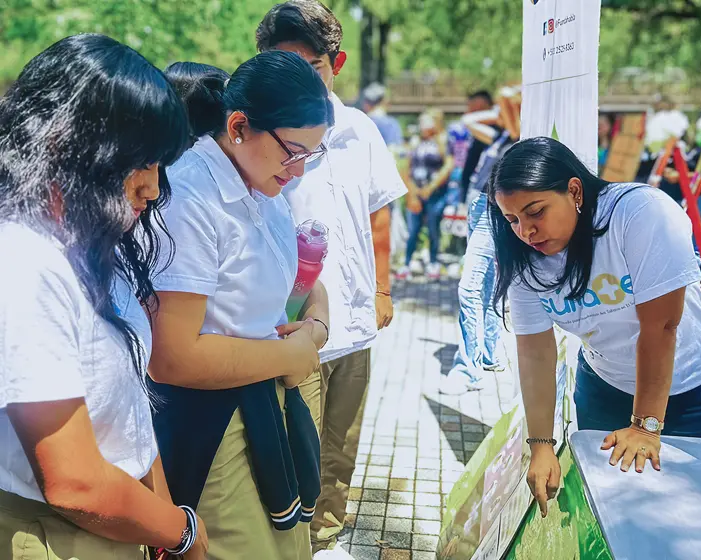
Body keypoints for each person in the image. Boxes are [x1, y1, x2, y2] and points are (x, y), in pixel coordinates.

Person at [0, 34, 208, 559]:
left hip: (122, 516)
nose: (153, 187)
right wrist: (183, 533)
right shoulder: (25, 260)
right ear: (64, 145)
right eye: (138, 162)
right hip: (56, 532)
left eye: (160, 163)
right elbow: (74, 482)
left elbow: (128, 404)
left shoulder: (92, 237)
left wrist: (162, 511)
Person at [149, 52, 333, 560]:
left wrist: (315, 323)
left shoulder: (265, 187)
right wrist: (294, 356)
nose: (296, 172)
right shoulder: (189, 197)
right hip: (214, 419)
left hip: (267, 398)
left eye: (309, 157)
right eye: (292, 152)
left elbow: (296, 277)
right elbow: (172, 356)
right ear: (237, 127)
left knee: (289, 545)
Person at [488, 137, 701, 519]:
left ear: (574, 190)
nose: (526, 232)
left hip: (697, 391)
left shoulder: (639, 213)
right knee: (624, 515)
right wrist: (542, 445)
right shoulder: (523, 259)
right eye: (512, 219)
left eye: (536, 212)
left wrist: (646, 428)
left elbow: (661, 327)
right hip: (605, 391)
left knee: (699, 515)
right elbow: (535, 351)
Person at [256, 1, 407, 553]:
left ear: (336, 63)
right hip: (289, 327)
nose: (297, 80)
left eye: (311, 66)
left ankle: (327, 534)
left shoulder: (359, 130)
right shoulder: (255, 129)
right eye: (282, 65)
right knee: (297, 442)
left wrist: (383, 290)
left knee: (340, 445)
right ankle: (290, 539)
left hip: (355, 316)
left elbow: (379, 213)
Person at [440, 123, 516, 395]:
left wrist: (508, 102)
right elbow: (471, 119)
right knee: (489, 285)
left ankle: (468, 370)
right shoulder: (502, 134)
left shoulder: (519, 129)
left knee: (469, 287)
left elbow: (478, 116)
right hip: (479, 204)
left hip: (493, 211)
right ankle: (489, 354)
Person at [398, 111, 455, 280]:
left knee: (433, 228)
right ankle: (406, 263)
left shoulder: (443, 141)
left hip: (435, 193)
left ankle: (433, 262)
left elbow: (448, 166)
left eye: (427, 122)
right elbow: (406, 168)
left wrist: (431, 186)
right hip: (416, 191)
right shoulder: (416, 142)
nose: (423, 125)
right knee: (413, 229)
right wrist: (412, 192)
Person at [362, 82, 403, 151]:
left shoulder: (362, 122)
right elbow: (395, 148)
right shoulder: (391, 123)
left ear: (367, 103)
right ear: (382, 101)